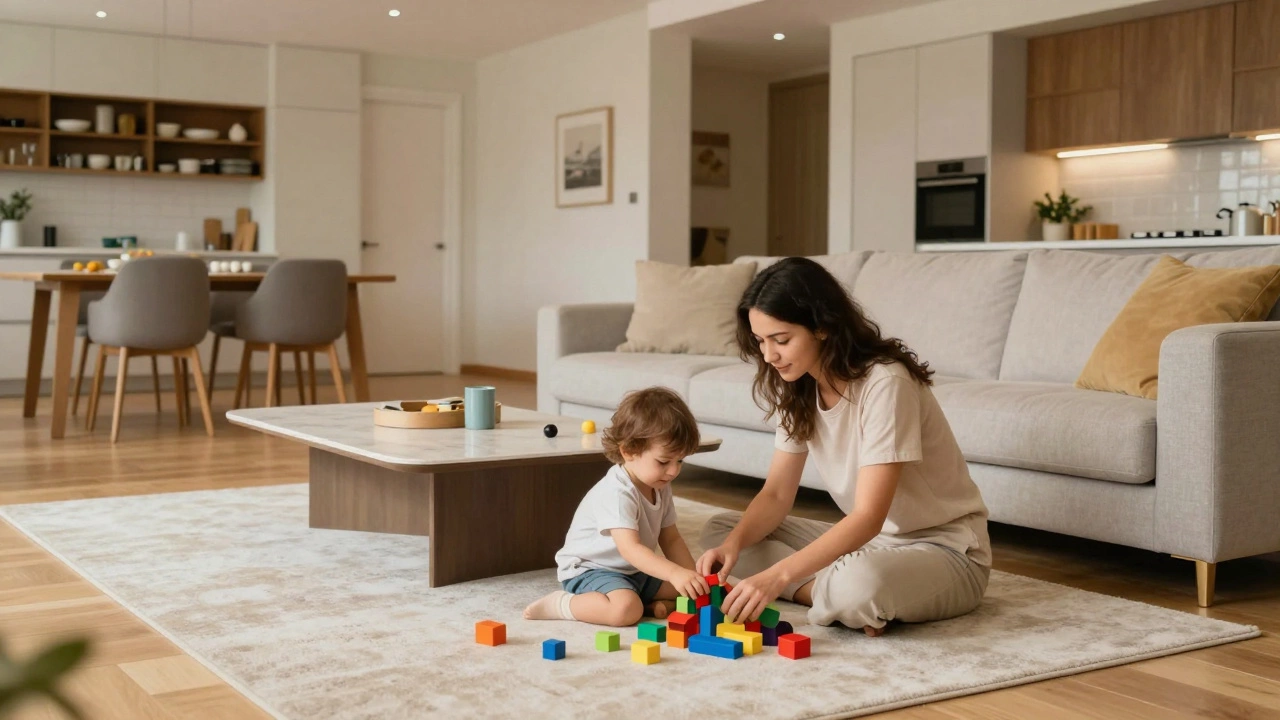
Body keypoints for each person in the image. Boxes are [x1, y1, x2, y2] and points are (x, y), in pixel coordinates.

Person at [696, 257, 991, 637]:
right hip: (870, 546)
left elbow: (868, 517)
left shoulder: (885, 383)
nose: (769, 356)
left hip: (946, 551)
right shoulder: (798, 383)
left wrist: (775, 577)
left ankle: (845, 594)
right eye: (761, 342)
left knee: (859, 582)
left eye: (781, 340)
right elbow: (775, 494)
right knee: (721, 534)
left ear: (822, 327)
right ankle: (831, 595)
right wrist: (735, 545)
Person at [524, 386, 711, 626]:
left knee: (688, 588)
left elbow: (671, 538)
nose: (674, 471)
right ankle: (561, 604)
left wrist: (692, 578)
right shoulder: (617, 492)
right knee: (625, 610)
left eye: (680, 461)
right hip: (590, 569)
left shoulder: (660, 484)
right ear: (629, 451)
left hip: (632, 571)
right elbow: (631, 549)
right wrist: (675, 573)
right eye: (664, 461)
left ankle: (648, 604)